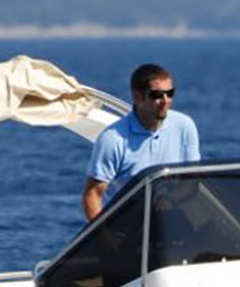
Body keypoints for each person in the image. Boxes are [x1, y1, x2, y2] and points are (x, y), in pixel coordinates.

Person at [83, 64, 200, 221]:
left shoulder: (185, 126)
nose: (165, 101)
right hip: (124, 225)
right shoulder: (112, 139)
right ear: (138, 97)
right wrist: (107, 239)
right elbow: (92, 195)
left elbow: (192, 182)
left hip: (168, 220)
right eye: (157, 95)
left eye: (170, 93)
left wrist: (168, 200)